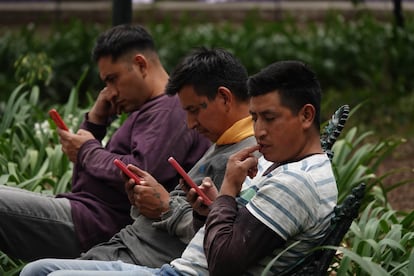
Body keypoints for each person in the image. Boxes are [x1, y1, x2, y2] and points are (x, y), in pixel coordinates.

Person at [20, 60, 338, 276]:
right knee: (37, 271)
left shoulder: (294, 183)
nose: (259, 130)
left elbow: (224, 263)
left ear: (306, 116)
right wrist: (209, 209)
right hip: (168, 263)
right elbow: (228, 236)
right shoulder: (279, 164)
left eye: (269, 118)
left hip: (173, 268)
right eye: (255, 118)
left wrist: (226, 193)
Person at [0, 24, 211, 262]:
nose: (109, 92)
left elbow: (141, 171)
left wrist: (87, 151)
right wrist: (95, 121)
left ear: (141, 65)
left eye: (113, 79)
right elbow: (83, 181)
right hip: (84, 212)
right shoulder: (148, 109)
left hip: (100, 227)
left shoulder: (169, 108)